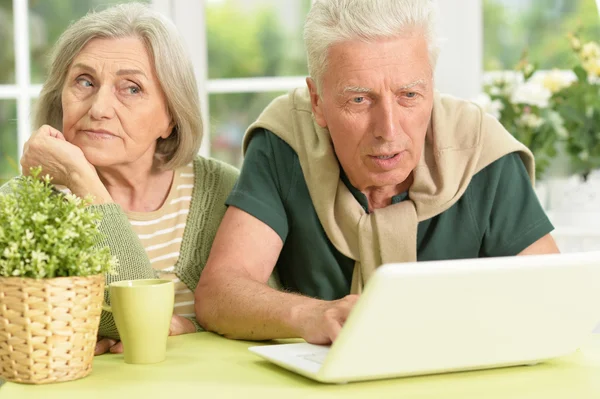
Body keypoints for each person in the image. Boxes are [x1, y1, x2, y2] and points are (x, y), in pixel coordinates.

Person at [195, 0, 560, 345]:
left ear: (431, 88)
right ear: (317, 102)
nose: (388, 129)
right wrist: (310, 315)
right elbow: (219, 293)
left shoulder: (481, 149)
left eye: (409, 96)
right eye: (359, 99)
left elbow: (553, 298)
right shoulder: (285, 142)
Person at [0, 3, 238, 355]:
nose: (98, 108)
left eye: (131, 88)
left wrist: (192, 325)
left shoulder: (222, 189)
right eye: (85, 81)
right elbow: (126, 316)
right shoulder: (23, 204)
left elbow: (257, 312)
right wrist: (83, 181)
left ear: (171, 116)